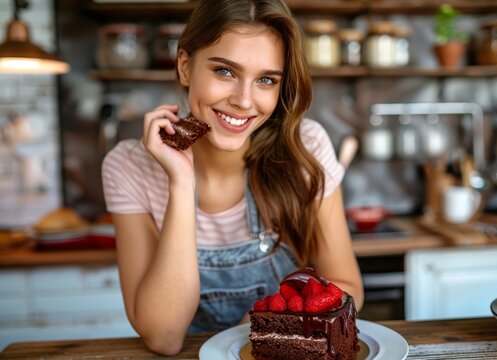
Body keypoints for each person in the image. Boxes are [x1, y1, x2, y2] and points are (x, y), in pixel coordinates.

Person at [101, 0, 363, 355]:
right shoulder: (129, 167)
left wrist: (265, 322)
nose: (243, 100)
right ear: (184, 66)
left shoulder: (306, 148)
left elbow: (348, 288)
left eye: (266, 80)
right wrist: (180, 182)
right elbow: (164, 337)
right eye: (225, 71)